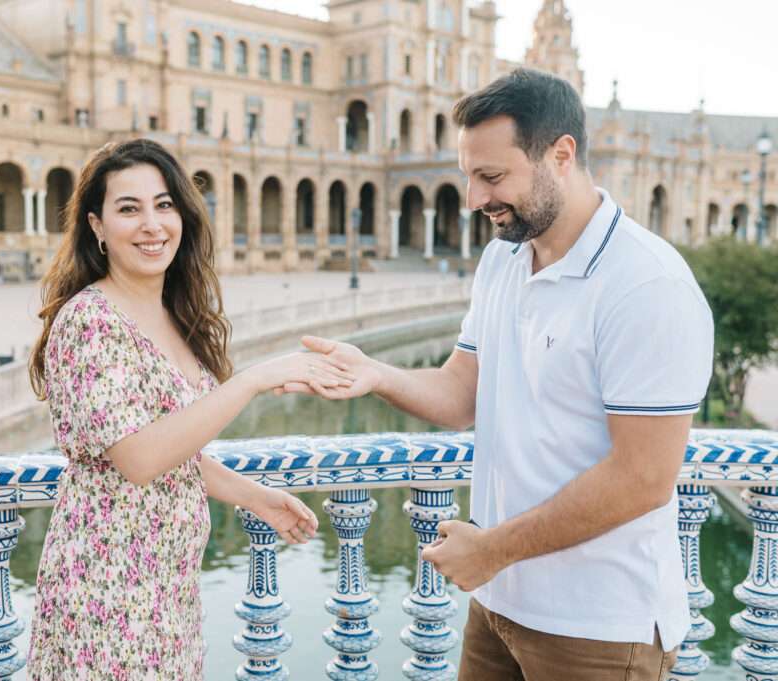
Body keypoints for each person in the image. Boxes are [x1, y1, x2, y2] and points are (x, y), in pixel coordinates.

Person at [285, 69, 713, 680]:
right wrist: (373, 372)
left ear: (560, 155)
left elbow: (643, 478)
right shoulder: (504, 258)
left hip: (598, 628)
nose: (474, 199)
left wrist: (491, 550)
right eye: (468, 176)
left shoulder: (647, 284)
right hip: (498, 606)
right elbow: (464, 393)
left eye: (491, 177)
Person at [27, 139, 349, 680]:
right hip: (104, 593)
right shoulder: (92, 321)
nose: (152, 224)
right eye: (129, 209)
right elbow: (138, 457)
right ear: (97, 227)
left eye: (164, 204)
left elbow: (175, 450)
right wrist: (251, 380)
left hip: (167, 593)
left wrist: (257, 498)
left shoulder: (173, 315)